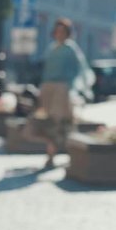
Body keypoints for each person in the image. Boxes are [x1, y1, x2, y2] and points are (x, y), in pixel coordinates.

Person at [37, 17, 92, 168]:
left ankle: (61, 154)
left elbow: (81, 69)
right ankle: (53, 154)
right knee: (50, 122)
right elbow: (46, 71)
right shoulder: (52, 48)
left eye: (62, 31)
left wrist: (79, 89)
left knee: (61, 123)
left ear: (67, 33)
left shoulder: (71, 49)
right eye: (57, 31)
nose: (59, 34)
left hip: (62, 90)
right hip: (49, 89)